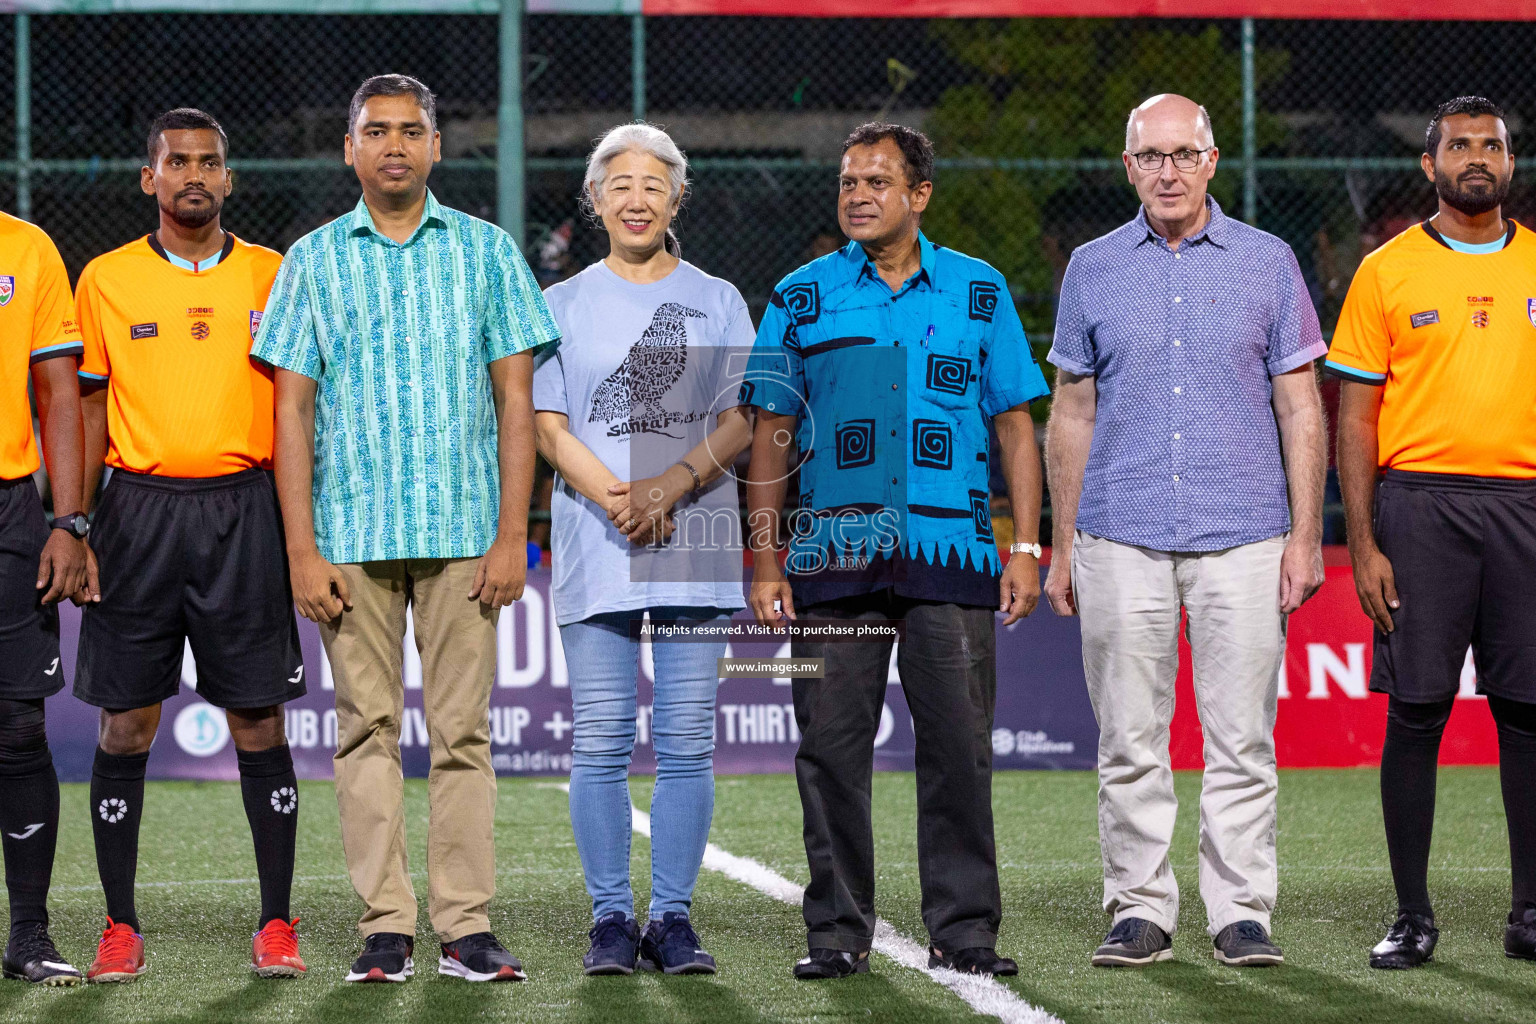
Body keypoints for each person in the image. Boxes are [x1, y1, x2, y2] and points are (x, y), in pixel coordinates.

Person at [254, 74, 558, 984]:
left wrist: (515, 536)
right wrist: (301, 549)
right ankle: (386, 925)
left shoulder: (487, 251)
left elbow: (516, 402)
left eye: (411, 130)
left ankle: (465, 925)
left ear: (436, 147)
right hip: (349, 537)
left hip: (468, 535)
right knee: (364, 732)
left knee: (464, 736)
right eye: (376, 131)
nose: (394, 145)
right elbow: (291, 414)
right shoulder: (311, 258)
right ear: (349, 149)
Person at [742, 122, 1048, 980]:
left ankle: (966, 932)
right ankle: (837, 932)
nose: (857, 195)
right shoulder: (799, 296)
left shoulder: (980, 294)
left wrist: (1024, 544)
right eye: (847, 182)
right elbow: (770, 433)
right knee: (831, 752)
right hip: (830, 561)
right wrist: (766, 562)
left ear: (919, 196)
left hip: (953, 556)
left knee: (959, 749)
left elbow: (1016, 425)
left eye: (877, 181)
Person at [1043, 94, 1327, 968]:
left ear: (1211, 162)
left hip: (1245, 531)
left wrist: (1307, 537)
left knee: (1241, 739)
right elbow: (1072, 408)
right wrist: (1061, 545)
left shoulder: (1268, 262)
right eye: (1149, 156)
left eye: (1183, 154)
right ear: (1128, 168)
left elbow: (1299, 404)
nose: (1167, 171)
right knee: (1130, 739)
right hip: (1118, 532)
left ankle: (1241, 912)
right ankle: (1139, 910)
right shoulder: (1091, 268)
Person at [71, 108, 306, 983]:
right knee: (126, 723)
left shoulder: (274, 275)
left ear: (230, 178)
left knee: (257, 719)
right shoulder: (105, 278)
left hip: (246, 511)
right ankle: (119, 925)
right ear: (150, 179)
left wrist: (301, 530)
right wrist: (80, 521)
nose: (194, 176)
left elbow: (297, 403)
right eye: (177, 163)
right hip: (137, 513)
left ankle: (276, 922)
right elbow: (89, 409)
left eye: (210, 162)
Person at [533, 123, 753, 977]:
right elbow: (549, 427)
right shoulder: (558, 303)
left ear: (676, 199)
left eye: (653, 185)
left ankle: (672, 918)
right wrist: (623, 499)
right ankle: (611, 920)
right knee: (600, 742)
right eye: (618, 184)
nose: (636, 198)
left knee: (689, 741)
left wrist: (672, 487)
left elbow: (742, 415)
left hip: (693, 537)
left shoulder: (720, 297)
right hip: (598, 539)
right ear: (595, 200)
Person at [1328, 96, 1536, 969]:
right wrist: (1365, 542)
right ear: (1430, 166)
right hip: (1420, 509)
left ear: (1510, 162)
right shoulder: (1387, 270)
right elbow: (1354, 416)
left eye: (1492, 145)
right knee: (1416, 713)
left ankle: (1530, 914)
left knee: (1527, 715)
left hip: (1527, 508)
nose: (1477, 157)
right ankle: (1413, 916)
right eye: (1460, 146)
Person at [0, 210, 87, 986]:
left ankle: (28, 932)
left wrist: (67, 519)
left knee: (19, 726)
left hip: (9, 509)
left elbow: (60, 393)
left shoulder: (26, 248)